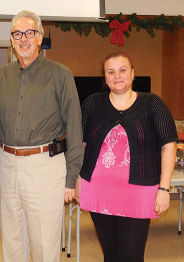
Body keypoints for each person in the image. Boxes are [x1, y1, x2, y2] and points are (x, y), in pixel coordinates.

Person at [0, 10, 83, 262]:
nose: (23, 39)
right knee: (12, 242)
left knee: (44, 245)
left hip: (45, 167)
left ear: (40, 38)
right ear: (11, 39)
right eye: (17, 33)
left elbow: (74, 126)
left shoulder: (60, 74)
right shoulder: (0, 78)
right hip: (7, 165)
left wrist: (71, 177)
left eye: (29, 33)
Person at [76, 52, 178, 262]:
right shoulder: (92, 104)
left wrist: (164, 188)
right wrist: (77, 180)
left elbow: (169, 146)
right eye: (110, 72)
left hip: (139, 192)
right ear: (104, 78)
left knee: (131, 255)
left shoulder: (152, 104)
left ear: (133, 73)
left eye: (122, 70)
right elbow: (81, 145)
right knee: (111, 255)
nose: (117, 76)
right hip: (98, 189)